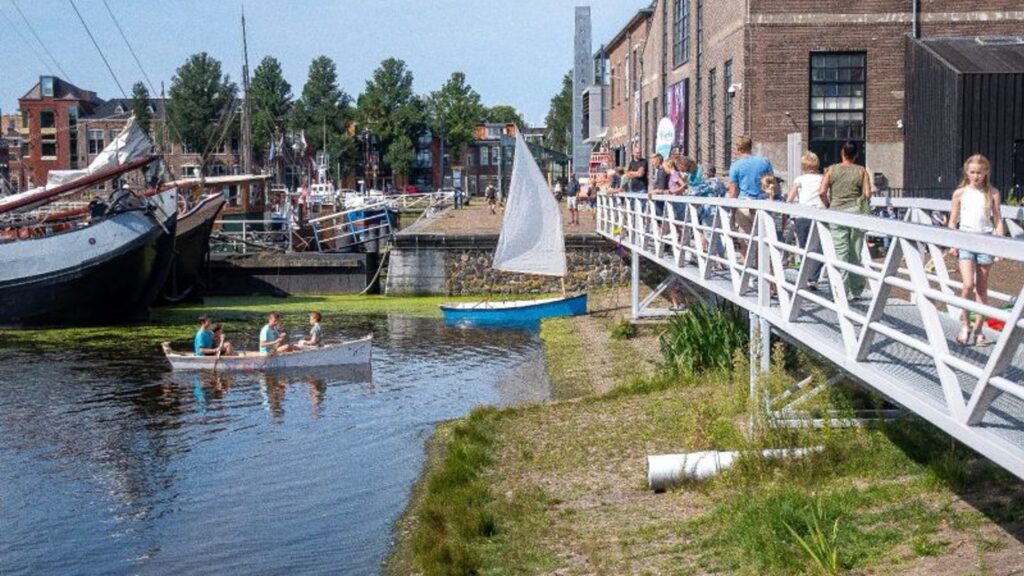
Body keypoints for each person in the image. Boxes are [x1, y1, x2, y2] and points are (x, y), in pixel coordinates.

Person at [948, 154, 1005, 346]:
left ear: (986, 172)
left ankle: (980, 329)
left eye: (979, 172)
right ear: (967, 172)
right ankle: (965, 324)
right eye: (972, 172)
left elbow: (997, 220)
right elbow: (953, 220)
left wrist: (999, 246)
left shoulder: (993, 193)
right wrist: (952, 242)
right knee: (967, 285)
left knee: (981, 287)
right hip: (966, 239)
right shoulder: (960, 193)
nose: (976, 176)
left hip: (986, 240)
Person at [819, 141, 873, 300]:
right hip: (856, 213)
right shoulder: (861, 171)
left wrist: (829, 205)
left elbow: (822, 191)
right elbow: (868, 194)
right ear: (856, 155)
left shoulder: (831, 170)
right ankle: (856, 290)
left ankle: (841, 289)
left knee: (840, 252)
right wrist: (860, 204)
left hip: (836, 212)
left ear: (842, 153)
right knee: (855, 252)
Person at [727, 135, 775, 249]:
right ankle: (761, 265)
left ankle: (746, 265)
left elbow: (733, 192)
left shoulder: (735, 166)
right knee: (763, 242)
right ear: (750, 147)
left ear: (739, 149)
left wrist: (732, 214)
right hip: (762, 205)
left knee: (745, 241)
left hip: (744, 206)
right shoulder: (764, 162)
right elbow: (772, 184)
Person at [787, 151, 825, 288]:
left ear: (803, 165)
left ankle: (805, 275)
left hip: (803, 216)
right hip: (820, 215)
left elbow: (789, 199)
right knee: (820, 248)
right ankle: (813, 277)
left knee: (804, 248)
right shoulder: (823, 178)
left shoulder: (799, 179)